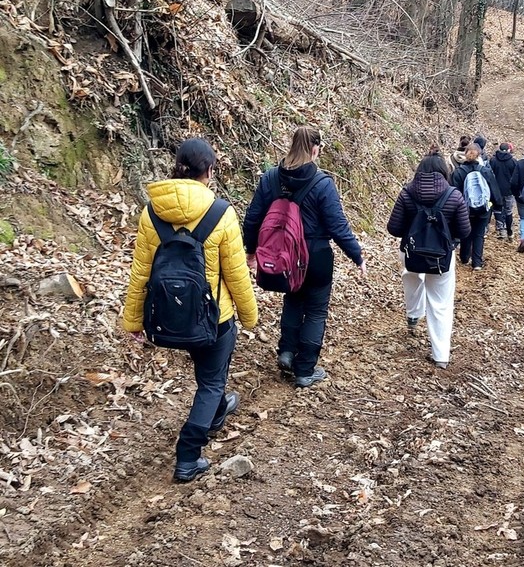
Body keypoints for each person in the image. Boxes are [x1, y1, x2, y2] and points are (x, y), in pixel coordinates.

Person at [124, 137, 258, 483]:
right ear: (209, 172)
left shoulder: (151, 212)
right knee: (211, 383)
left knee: (209, 380)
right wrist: (249, 315)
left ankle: (214, 413)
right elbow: (236, 273)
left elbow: (141, 271)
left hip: (170, 318)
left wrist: (134, 319)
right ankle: (188, 455)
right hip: (215, 319)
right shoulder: (221, 213)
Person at [243, 125, 366, 388]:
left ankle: (286, 353)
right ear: (314, 149)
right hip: (317, 257)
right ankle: (305, 370)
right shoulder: (323, 184)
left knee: (293, 300)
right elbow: (338, 226)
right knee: (315, 311)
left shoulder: (271, 178)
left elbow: (252, 218)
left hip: (284, 256)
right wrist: (357, 256)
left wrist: (251, 252)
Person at [387, 146, 470, 368]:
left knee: (411, 277)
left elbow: (393, 229)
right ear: (445, 172)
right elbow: (464, 231)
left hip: (411, 253)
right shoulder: (454, 195)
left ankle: (413, 314)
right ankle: (440, 355)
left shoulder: (406, 193)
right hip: (441, 256)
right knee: (441, 303)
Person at [450, 142, 502, 269]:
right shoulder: (485, 171)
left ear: (465, 155)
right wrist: (498, 205)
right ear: (479, 155)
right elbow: (494, 189)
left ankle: (464, 258)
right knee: (479, 234)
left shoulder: (458, 172)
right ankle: (477, 263)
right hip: (483, 209)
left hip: (464, 209)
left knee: (466, 232)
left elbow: (454, 192)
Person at [490, 142, 517, 242]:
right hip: (509, 191)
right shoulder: (513, 162)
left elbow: (490, 174)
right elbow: (515, 177)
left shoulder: (493, 160)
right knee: (508, 211)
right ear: (509, 150)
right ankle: (509, 232)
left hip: (496, 189)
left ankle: (501, 230)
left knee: (497, 209)